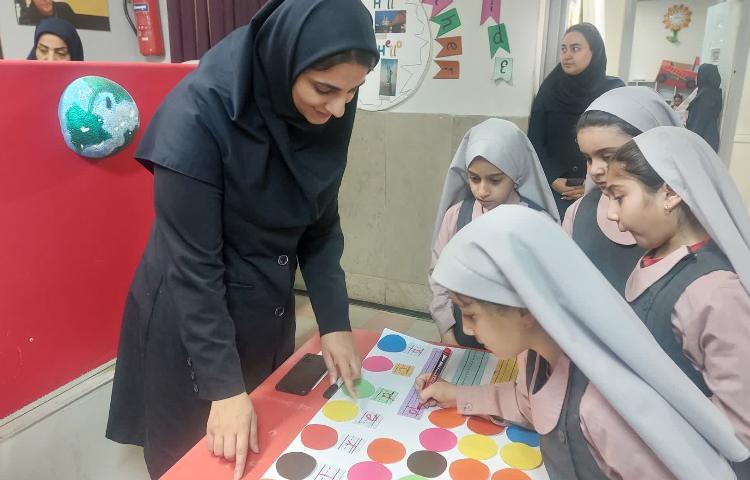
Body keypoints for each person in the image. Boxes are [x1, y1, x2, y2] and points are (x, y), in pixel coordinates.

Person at [105, 0, 379, 478]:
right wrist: (223, 387)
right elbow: (194, 268)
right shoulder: (196, 116)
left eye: (352, 92)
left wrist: (334, 322)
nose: (338, 109)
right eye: (325, 90)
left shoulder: (325, 111)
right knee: (197, 458)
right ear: (285, 58)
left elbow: (319, 224)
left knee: (265, 448)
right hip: (192, 326)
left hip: (263, 311)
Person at [417, 205, 748, 479]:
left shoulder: (604, 409)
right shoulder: (536, 357)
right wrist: (459, 395)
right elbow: (529, 404)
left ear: (524, 308)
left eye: (471, 314)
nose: (468, 328)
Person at [605, 127, 750, 475]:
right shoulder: (655, 257)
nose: (611, 214)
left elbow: (739, 425)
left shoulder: (715, 291)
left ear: (669, 193)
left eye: (619, 197)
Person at [429, 119, 558, 347]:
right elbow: (438, 276)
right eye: (474, 178)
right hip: (463, 335)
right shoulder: (457, 216)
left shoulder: (537, 224)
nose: (482, 190)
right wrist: (446, 327)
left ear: (516, 174)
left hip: (519, 344)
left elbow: (549, 293)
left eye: (495, 180)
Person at [563, 87, 681, 294]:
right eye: (588, 159)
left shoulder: (681, 222)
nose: (594, 170)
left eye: (608, 156)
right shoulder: (578, 212)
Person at [528, 22, 624, 218]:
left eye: (575, 48)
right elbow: (535, 141)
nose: (567, 55)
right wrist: (552, 178)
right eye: (564, 49)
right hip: (553, 190)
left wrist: (593, 183)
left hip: (602, 189)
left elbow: (623, 146)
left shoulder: (613, 91)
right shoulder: (549, 90)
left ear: (594, 51)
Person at [686, 63, 723, 152]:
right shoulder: (710, 92)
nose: (696, 77)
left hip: (702, 141)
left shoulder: (707, 95)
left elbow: (699, 122)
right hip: (705, 139)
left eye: (699, 74)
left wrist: (690, 144)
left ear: (704, 76)